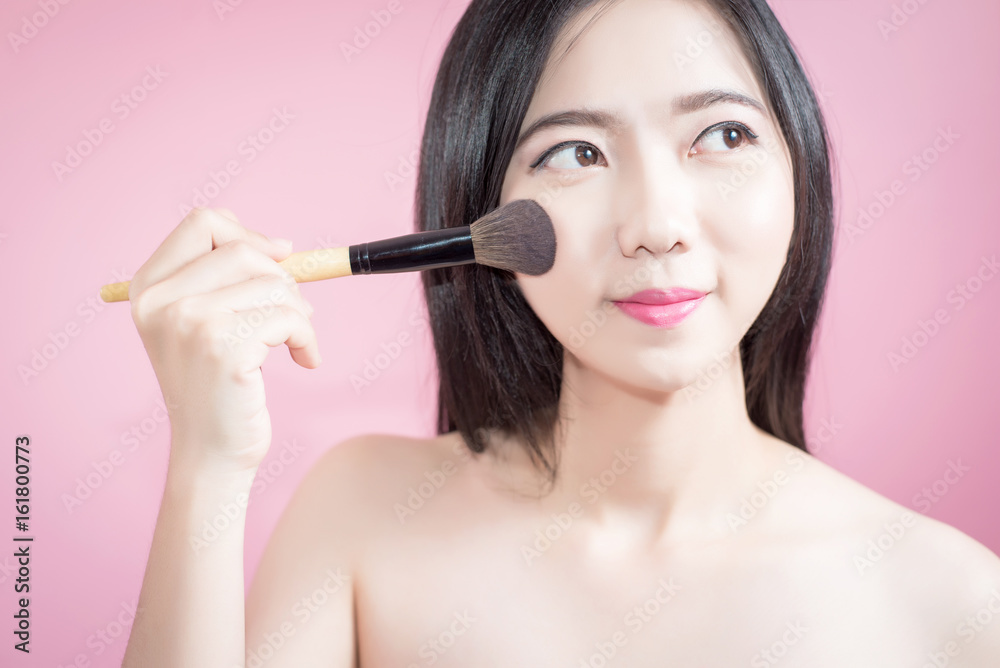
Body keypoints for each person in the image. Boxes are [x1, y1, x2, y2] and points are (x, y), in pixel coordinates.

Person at [122, 0, 1000, 665]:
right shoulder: (362, 512)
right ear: (484, 211)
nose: (657, 224)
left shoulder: (953, 605)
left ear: (799, 173)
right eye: (577, 152)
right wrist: (206, 466)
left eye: (722, 134)